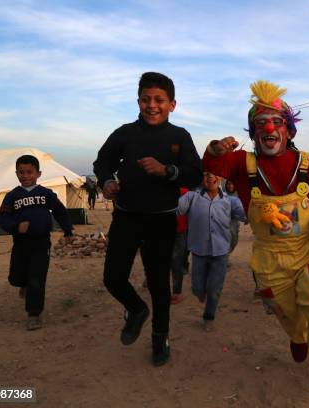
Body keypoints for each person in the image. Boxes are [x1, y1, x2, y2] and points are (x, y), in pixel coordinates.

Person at [203, 80, 309, 367]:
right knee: (284, 309)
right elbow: (213, 166)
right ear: (253, 133)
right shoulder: (242, 162)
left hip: (308, 249)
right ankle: (297, 335)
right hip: (269, 257)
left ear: (289, 130)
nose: (269, 128)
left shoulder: (307, 162)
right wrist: (217, 149)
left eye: (276, 121)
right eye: (261, 123)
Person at [93, 72, 201, 366]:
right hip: (126, 217)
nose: (151, 105)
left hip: (161, 221)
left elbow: (194, 173)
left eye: (159, 100)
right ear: (138, 101)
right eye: (145, 99)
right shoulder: (126, 133)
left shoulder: (180, 137)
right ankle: (137, 310)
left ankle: (160, 338)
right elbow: (102, 162)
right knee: (113, 277)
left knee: (158, 284)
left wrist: (167, 171)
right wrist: (106, 181)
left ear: (172, 104)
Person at [0, 155, 73, 330]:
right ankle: (22, 285)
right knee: (16, 277)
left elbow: (60, 211)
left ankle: (34, 314)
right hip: (21, 243)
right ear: (16, 174)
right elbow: (2, 217)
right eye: (21, 172)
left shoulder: (46, 194)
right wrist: (15, 226)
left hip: (41, 243)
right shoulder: (12, 196)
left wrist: (68, 230)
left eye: (29, 172)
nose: (25, 176)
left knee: (37, 278)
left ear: (38, 173)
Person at [178, 172, 246, 331]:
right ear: (201, 178)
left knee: (215, 290)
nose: (210, 177)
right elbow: (176, 208)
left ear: (221, 177)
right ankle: (201, 293)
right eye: (206, 174)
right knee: (197, 289)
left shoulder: (230, 201)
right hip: (198, 252)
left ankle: (209, 317)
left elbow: (248, 214)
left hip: (221, 253)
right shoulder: (192, 197)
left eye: (214, 174)